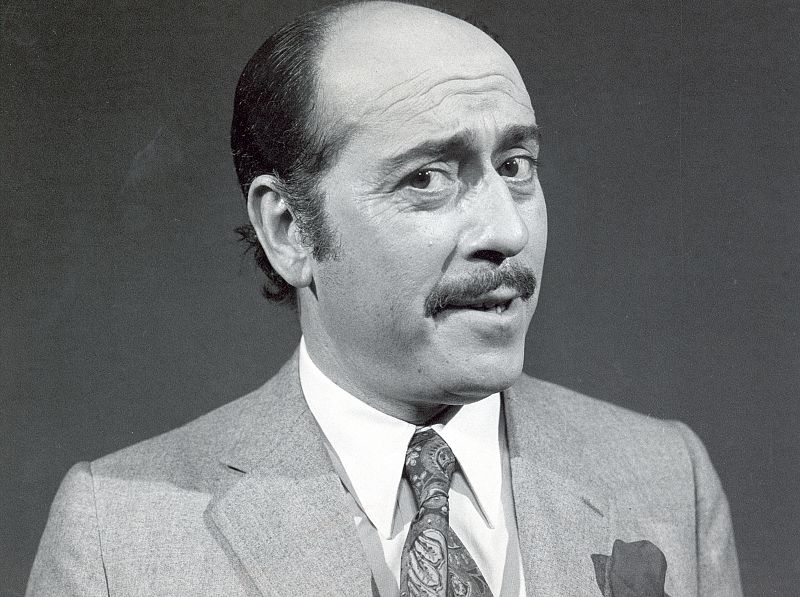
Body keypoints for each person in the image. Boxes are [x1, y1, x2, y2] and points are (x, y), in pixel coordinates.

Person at [26, 2, 742, 596]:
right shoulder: (118, 535)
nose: (509, 231)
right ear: (290, 230)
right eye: (427, 178)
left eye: (516, 166)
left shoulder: (666, 477)